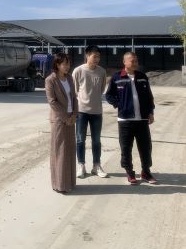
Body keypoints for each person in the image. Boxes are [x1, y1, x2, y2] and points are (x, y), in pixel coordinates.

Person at [105, 52, 157, 185]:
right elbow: (109, 95)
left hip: (142, 120)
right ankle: (129, 172)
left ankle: (146, 172)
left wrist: (150, 112)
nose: (135, 63)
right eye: (132, 61)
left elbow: (149, 97)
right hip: (125, 120)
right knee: (126, 148)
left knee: (146, 148)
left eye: (136, 61)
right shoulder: (117, 77)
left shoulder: (142, 77)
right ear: (125, 62)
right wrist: (119, 104)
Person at [72, 45, 108, 178]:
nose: (97, 59)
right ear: (87, 56)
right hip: (81, 111)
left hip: (97, 111)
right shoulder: (78, 71)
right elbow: (74, 90)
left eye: (98, 57)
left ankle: (96, 166)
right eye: (94, 56)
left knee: (96, 140)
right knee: (80, 139)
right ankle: (81, 165)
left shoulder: (102, 71)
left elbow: (102, 89)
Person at [45, 52, 79, 193]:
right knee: (60, 151)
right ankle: (59, 184)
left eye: (68, 63)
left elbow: (74, 97)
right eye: (65, 64)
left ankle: (69, 182)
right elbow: (52, 101)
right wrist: (65, 118)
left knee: (70, 150)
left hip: (71, 118)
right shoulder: (50, 80)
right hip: (59, 120)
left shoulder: (69, 78)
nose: (67, 66)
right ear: (57, 65)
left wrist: (74, 115)